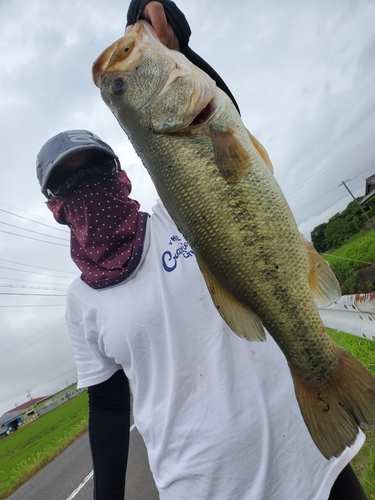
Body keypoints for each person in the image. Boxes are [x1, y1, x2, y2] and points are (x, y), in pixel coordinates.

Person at [36, 1, 369, 499]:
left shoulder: (175, 215)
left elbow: (221, 131)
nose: (86, 185)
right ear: (55, 206)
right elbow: (107, 407)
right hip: (202, 486)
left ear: (121, 172)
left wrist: (173, 47)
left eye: (95, 170)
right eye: (69, 181)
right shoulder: (81, 304)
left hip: (306, 456)